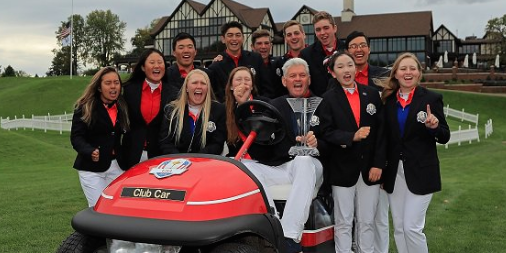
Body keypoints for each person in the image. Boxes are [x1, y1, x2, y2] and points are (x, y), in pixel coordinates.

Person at [240, 58, 327, 253]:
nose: (298, 79)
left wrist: (317, 142)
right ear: (284, 81)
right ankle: (274, 225)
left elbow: (334, 141)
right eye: (293, 76)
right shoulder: (274, 105)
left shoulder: (323, 104)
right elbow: (264, 148)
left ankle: (289, 237)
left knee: (303, 161)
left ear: (309, 79)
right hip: (283, 165)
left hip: (313, 166)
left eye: (302, 75)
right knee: (246, 167)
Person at [381, 53, 450, 253]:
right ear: (395, 73)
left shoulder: (431, 98)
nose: (407, 72)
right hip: (395, 173)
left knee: (412, 227)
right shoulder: (388, 101)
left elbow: (444, 136)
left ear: (419, 73)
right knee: (400, 229)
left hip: (422, 172)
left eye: (412, 68)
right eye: (403, 69)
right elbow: (386, 138)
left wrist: (434, 127)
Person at [318, 52, 386, 253]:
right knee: (343, 222)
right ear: (332, 72)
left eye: (349, 65)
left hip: (369, 170)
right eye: (340, 66)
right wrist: (351, 137)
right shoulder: (327, 99)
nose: (346, 70)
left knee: (367, 221)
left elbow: (382, 133)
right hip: (342, 169)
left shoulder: (372, 94)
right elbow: (326, 132)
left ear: (356, 69)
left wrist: (379, 164)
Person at [344, 30, 390, 253]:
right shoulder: (340, 80)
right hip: (348, 160)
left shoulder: (384, 77)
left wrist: (381, 162)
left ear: (369, 49)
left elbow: (386, 123)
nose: (358, 49)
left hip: (377, 157)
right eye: (353, 46)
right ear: (347, 51)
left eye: (362, 45)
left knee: (377, 217)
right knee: (350, 217)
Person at [70, 66, 130, 207]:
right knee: (99, 208)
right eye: (108, 83)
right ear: (99, 87)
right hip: (91, 169)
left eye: (116, 82)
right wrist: (89, 151)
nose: (113, 86)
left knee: (118, 208)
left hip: (118, 166)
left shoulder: (123, 106)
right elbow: (76, 138)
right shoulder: (85, 107)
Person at [119, 49, 178, 170]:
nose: (157, 66)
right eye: (152, 62)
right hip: (131, 155)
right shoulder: (128, 90)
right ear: (142, 67)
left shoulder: (174, 93)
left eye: (160, 62)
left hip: (160, 159)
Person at [159, 69, 226, 154]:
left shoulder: (219, 110)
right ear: (186, 88)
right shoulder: (172, 110)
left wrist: (197, 159)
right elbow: (165, 142)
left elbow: (217, 144)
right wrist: (181, 160)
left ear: (208, 88)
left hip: (205, 162)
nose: (199, 86)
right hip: (177, 163)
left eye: (203, 83)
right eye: (194, 83)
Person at [207, 21, 266, 102]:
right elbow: (216, 96)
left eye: (238, 35)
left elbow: (266, 89)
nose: (234, 39)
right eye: (230, 35)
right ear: (223, 39)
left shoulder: (256, 59)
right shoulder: (216, 66)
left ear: (243, 38)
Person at [224, 66, 269, 157]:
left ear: (252, 86)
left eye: (247, 79)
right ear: (231, 87)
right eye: (238, 79)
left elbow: (260, 136)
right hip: (234, 159)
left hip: (260, 159)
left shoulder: (264, 104)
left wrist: (243, 104)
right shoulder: (223, 109)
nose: (243, 83)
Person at [300, 11, 343, 96]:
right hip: (318, 104)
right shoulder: (306, 54)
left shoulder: (346, 50)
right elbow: (305, 85)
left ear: (334, 28)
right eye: (318, 30)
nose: (322, 33)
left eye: (326, 28)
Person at [271, 20, 307, 97]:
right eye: (289, 35)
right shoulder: (279, 63)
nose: (293, 37)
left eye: (296, 33)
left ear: (304, 35)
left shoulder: (316, 57)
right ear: (285, 39)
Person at [250, 29, 284, 98]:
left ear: (271, 46)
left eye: (266, 43)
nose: (263, 47)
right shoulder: (247, 67)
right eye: (259, 43)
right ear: (252, 47)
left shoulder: (279, 64)